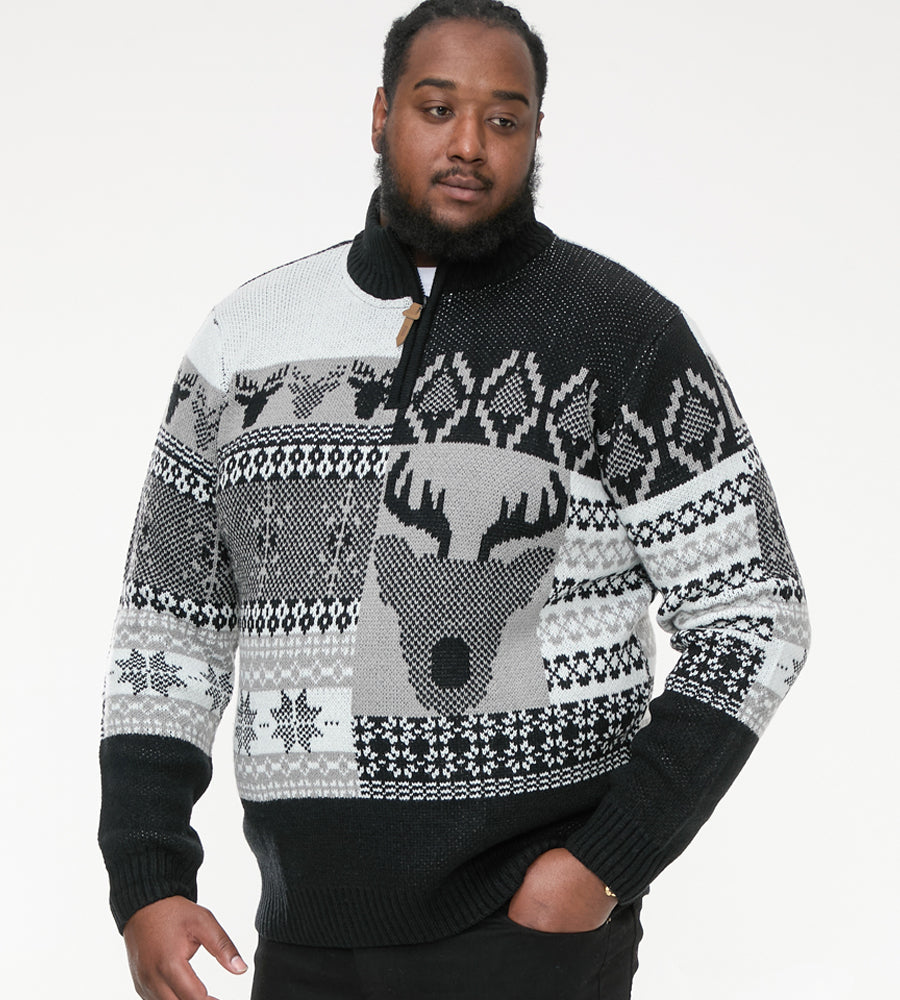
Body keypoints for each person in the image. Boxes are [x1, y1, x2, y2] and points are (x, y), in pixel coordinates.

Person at [98, 2, 810, 998]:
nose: (469, 143)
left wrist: (605, 862)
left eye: (503, 119)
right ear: (382, 113)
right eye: (437, 109)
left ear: (536, 133)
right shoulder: (244, 341)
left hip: (530, 935)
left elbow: (755, 614)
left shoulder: (624, 337)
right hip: (304, 939)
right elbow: (170, 622)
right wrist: (147, 876)